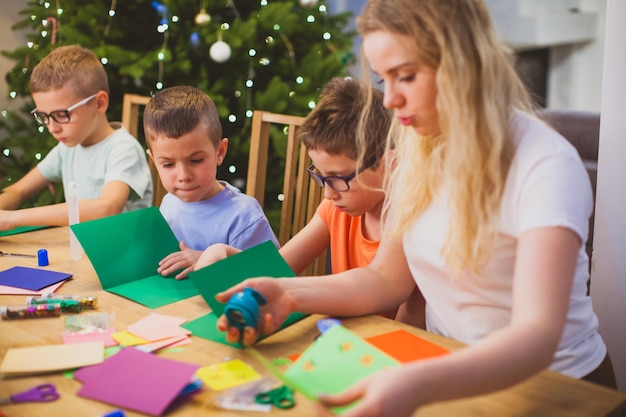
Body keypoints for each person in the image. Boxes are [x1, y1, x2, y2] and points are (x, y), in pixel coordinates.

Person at [215, 0, 617, 416]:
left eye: (405, 76)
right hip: (453, 374)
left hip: (557, 390)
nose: (389, 100)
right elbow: (385, 280)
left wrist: (416, 381)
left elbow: (537, 335)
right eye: (383, 79)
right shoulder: (417, 152)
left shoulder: (545, 165)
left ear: (464, 64)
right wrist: (286, 291)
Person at [196, 77, 423, 322]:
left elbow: (405, 331)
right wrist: (222, 253)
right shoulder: (334, 209)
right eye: (321, 176)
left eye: (338, 178)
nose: (328, 193)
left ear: (389, 164)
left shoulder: (414, 223)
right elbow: (278, 270)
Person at [0, 45, 153, 230]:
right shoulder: (67, 149)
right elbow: (19, 190)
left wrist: (13, 219)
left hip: (122, 251)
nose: (52, 128)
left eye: (61, 114)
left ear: (99, 103)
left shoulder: (124, 148)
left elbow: (107, 207)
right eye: (44, 117)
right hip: (85, 248)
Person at [143, 85, 278, 280]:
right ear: (154, 161)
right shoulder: (169, 203)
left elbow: (273, 278)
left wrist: (209, 261)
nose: (183, 176)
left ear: (220, 152)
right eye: (168, 164)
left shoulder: (244, 216)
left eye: (196, 160)